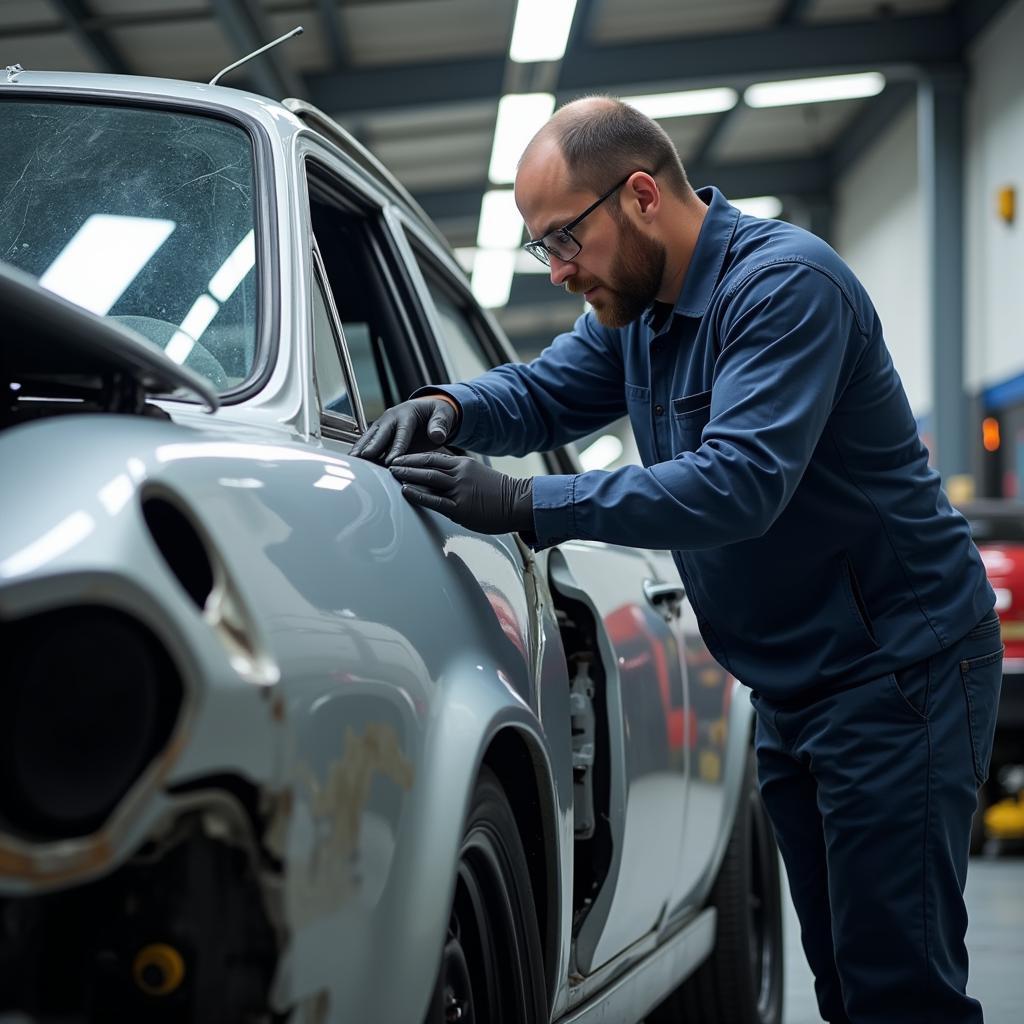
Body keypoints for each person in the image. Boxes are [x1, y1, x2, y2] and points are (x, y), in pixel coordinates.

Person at [350, 96, 1002, 1024]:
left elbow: (737, 484)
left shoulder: (782, 288)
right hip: (794, 681)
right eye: (545, 249)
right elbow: (545, 392)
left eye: (566, 239)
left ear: (643, 195)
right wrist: (451, 406)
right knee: (846, 978)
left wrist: (529, 504)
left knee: (898, 987)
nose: (562, 269)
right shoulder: (640, 313)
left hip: (900, 672)